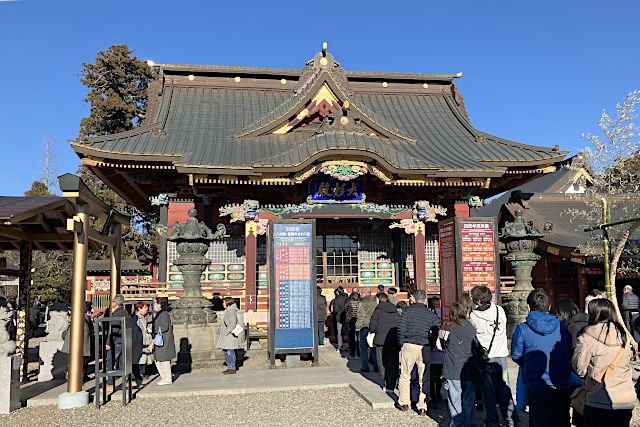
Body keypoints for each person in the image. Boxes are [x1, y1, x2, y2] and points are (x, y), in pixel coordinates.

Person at [511, 288, 572, 427]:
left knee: (539, 420)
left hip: (536, 382)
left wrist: (529, 364)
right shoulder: (561, 326)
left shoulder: (522, 329)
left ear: (528, 307)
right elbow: (568, 349)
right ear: (549, 307)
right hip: (561, 381)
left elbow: (516, 355)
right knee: (562, 420)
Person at [572, 298, 634, 427]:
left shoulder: (587, 337)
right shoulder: (624, 336)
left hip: (598, 399)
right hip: (625, 399)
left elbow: (580, 369)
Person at [469, 285, 514, 427]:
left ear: (476, 300)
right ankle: (510, 419)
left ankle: (491, 421)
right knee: (504, 389)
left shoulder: (473, 316)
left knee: (488, 391)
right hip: (501, 355)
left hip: (486, 358)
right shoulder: (499, 310)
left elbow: (473, 337)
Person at [395, 289, 439, 415]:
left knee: (405, 375)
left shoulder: (407, 311)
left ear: (414, 298)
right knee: (424, 377)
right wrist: (430, 344)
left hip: (409, 344)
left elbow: (401, 328)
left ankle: (404, 402)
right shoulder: (431, 314)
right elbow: (435, 331)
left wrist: (401, 342)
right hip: (424, 346)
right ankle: (422, 405)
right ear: (425, 300)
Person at [439, 302, 477, 426]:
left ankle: (458, 423)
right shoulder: (470, 326)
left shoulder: (447, 328)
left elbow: (440, 346)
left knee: (455, 399)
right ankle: (471, 423)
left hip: (453, 367)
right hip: (469, 367)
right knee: (469, 399)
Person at [368, 292, 399, 391]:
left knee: (382, 363)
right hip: (394, 340)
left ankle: (386, 382)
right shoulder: (395, 310)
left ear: (379, 299)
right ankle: (393, 383)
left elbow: (372, 325)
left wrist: (375, 331)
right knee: (393, 362)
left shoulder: (378, 311)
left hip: (381, 340)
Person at [61, 302, 93, 381]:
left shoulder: (78, 318)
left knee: (81, 362)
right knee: (81, 362)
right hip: (81, 344)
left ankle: (81, 376)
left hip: (78, 344)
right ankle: (77, 377)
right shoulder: (84, 318)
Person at [106, 294, 129, 391]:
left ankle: (110, 383)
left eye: (112, 301)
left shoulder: (116, 314)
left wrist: (108, 342)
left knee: (110, 362)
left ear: (115, 303)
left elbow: (113, 330)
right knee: (123, 362)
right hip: (125, 340)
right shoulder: (126, 312)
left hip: (116, 341)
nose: (111, 303)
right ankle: (130, 380)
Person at [153, 297, 176, 385]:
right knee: (160, 359)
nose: (155, 305)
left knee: (163, 360)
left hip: (164, 340)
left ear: (160, 304)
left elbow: (164, 327)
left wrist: (153, 329)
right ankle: (166, 376)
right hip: (164, 339)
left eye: (156, 304)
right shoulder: (163, 313)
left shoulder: (163, 314)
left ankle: (167, 378)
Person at [355, 287, 378, 372]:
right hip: (373, 326)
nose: (360, 295)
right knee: (373, 347)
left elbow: (360, 315)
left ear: (365, 293)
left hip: (364, 326)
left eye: (361, 293)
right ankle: (376, 366)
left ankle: (365, 366)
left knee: (363, 348)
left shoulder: (362, 302)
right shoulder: (375, 302)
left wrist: (358, 326)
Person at [217, 297, 240, 375]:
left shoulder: (230, 311)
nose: (223, 304)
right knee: (226, 351)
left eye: (224, 302)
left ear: (228, 303)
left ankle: (232, 368)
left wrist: (226, 332)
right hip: (229, 335)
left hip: (229, 335)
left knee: (229, 351)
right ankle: (230, 367)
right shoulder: (230, 311)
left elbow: (232, 323)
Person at [131, 302, 152, 385]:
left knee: (144, 357)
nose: (146, 309)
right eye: (145, 307)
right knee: (141, 358)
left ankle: (142, 372)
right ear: (139, 308)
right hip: (140, 341)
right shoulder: (137, 318)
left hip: (145, 340)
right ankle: (140, 373)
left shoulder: (143, 317)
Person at [331, 287, 347, 352]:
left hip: (339, 317)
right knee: (347, 333)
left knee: (339, 333)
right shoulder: (347, 298)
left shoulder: (337, 300)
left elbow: (335, 310)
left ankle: (340, 346)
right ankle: (347, 346)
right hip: (347, 317)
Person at [345, 290, 360, 357]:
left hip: (350, 320)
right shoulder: (360, 302)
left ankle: (352, 353)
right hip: (358, 320)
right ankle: (359, 353)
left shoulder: (349, 302)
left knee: (351, 338)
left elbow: (345, 309)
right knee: (359, 337)